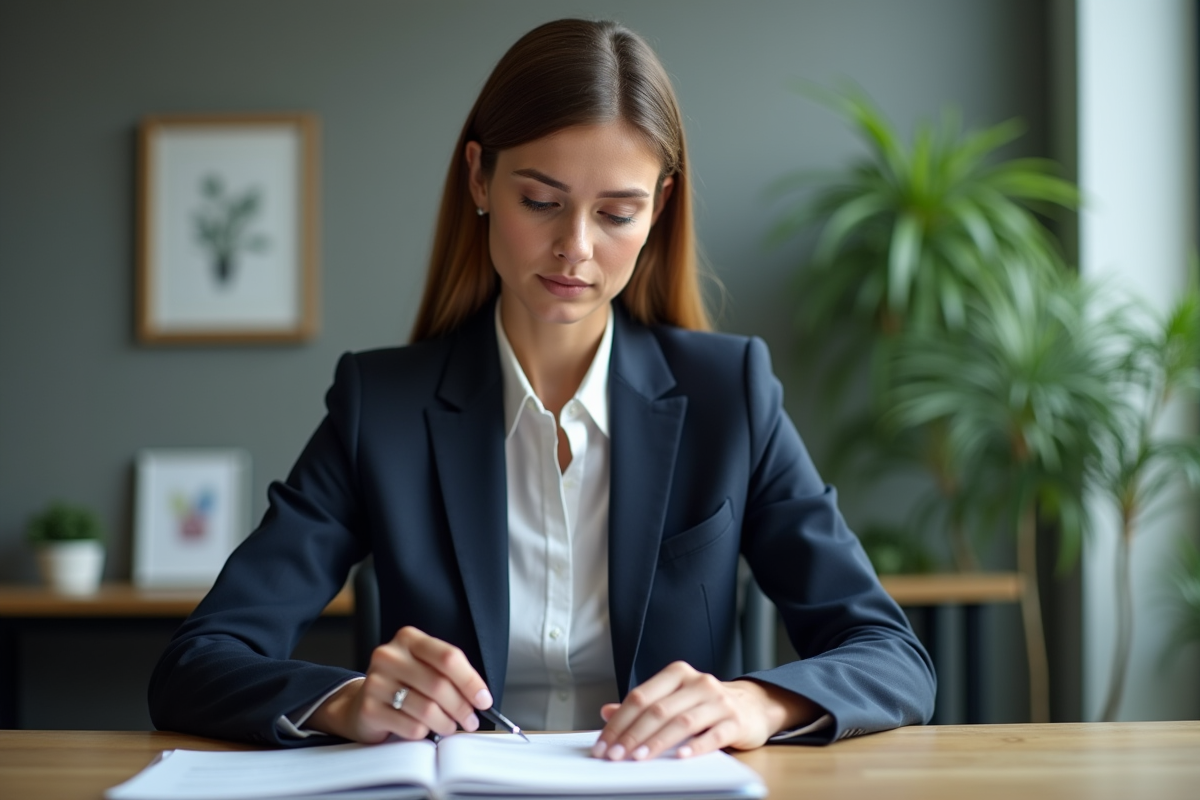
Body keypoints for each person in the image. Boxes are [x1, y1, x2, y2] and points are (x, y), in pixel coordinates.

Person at [148, 18, 935, 759]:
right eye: (540, 202)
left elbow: (891, 656)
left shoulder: (731, 394)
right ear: (480, 178)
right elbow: (198, 662)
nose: (576, 249)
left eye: (618, 213)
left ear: (659, 210)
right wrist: (346, 700)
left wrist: (753, 706)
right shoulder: (379, 408)